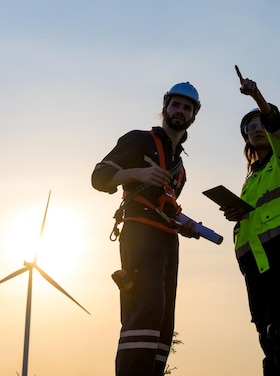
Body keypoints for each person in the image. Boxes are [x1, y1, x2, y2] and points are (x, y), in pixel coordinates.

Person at [91, 81, 202, 376]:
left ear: (194, 116)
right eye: (176, 105)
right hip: (139, 235)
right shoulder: (138, 140)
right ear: (164, 107)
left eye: (187, 108)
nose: (180, 111)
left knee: (165, 322)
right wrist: (140, 172)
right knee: (145, 310)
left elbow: (166, 206)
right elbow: (99, 176)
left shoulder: (180, 168)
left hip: (168, 241)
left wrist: (188, 226)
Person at [220, 66, 280, 376]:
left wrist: (256, 96)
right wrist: (237, 214)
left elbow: (276, 124)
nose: (257, 129)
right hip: (254, 261)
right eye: (250, 127)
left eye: (260, 124)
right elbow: (255, 214)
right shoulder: (250, 180)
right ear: (245, 137)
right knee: (266, 338)